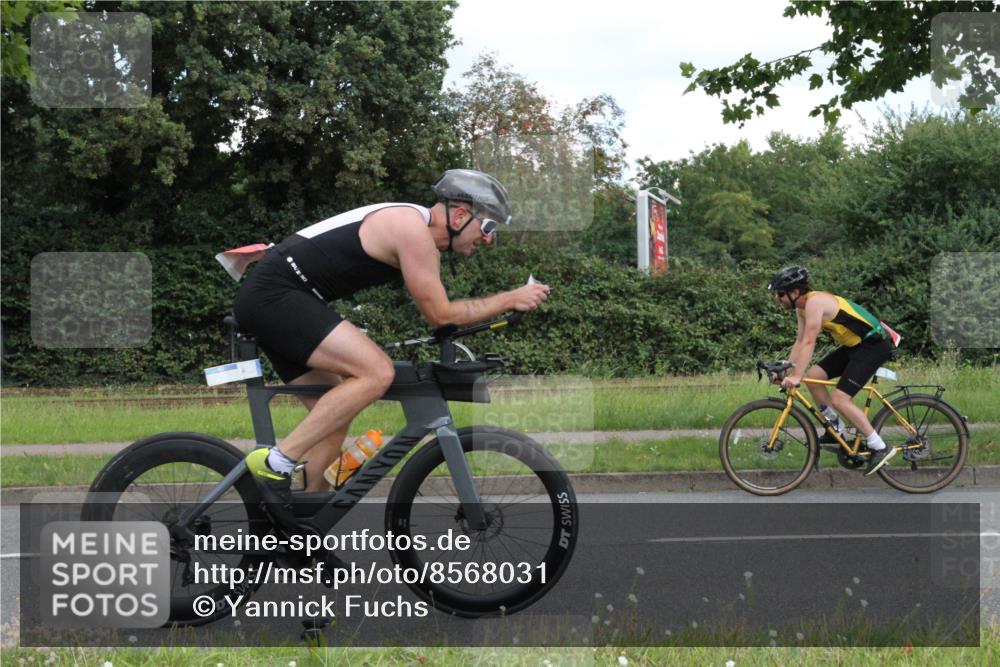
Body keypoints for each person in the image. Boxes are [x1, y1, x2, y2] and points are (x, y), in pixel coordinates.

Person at [232, 169, 551, 525]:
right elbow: (441, 314)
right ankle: (276, 463)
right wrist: (511, 298)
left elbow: (438, 312)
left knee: (333, 411)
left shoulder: (413, 228)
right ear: (460, 215)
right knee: (377, 372)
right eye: (489, 228)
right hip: (275, 296)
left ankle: (298, 523)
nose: (489, 240)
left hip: (279, 296)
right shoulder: (411, 229)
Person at [767, 265, 896, 476]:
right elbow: (799, 341)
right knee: (814, 378)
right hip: (855, 346)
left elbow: (810, 341)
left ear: (795, 292)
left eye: (781, 294)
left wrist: (797, 375)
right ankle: (836, 429)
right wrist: (786, 370)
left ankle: (879, 446)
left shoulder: (815, 303)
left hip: (873, 346)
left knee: (840, 399)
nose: (778, 299)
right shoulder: (802, 308)